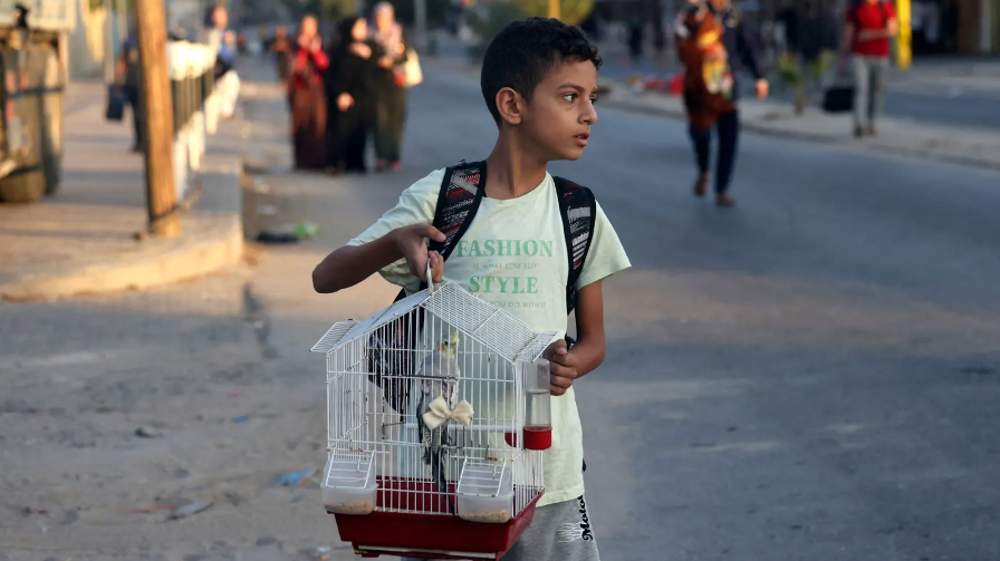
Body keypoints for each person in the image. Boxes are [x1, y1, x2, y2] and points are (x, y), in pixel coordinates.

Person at [311, 17, 631, 561]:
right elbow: (327, 276)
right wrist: (394, 242)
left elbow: (594, 341)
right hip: (442, 477)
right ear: (513, 105)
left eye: (592, 98)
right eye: (570, 96)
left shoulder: (577, 211)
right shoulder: (445, 197)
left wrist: (570, 364)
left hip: (547, 476)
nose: (590, 114)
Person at [675, 0, 768, 207]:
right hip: (700, 88)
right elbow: (681, 41)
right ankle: (703, 169)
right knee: (701, 134)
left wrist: (759, 77)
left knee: (729, 138)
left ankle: (722, 189)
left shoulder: (734, 16)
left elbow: (749, 45)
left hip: (726, 86)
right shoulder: (696, 13)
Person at [325, 15, 375, 175]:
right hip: (342, 97)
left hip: (361, 98)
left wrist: (368, 56)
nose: (363, 30)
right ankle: (337, 162)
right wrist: (340, 93)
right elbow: (334, 75)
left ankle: (356, 162)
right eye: (359, 27)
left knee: (359, 131)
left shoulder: (368, 48)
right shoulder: (338, 49)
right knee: (341, 131)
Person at [841, 0, 896, 138]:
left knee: (877, 90)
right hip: (859, 54)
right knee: (861, 88)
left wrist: (871, 34)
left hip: (881, 55)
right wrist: (844, 55)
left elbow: (892, 30)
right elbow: (849, 31)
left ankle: (871, 122)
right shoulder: (855, 7)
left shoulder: (885, 6)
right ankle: (858, 123)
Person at [369, 2, 409, 172]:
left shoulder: (398, 33)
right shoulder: (370, 36)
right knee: (379, 122)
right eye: (378, 17)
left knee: (395, 121)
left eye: (384, 17)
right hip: (377, 85)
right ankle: (381, 157)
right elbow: (367, 59)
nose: (381, 21)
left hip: (395, 84)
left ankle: (394, 156)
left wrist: (392, 61)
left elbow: (406, 56)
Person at [288, 15, 330, 171]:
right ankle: (302, 161)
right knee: (301, 124)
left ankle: (318, 160)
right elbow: (294, 67)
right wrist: (303, 49)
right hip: (300, 90)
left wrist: (316, 50)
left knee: (318, 124)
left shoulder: (320, 42)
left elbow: (325, 64)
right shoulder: (294, 44)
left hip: (317, 89)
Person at [204, 6, 241, 120]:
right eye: (220, 15)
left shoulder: (224, 31)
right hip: (219, 66)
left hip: (226, 66)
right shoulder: (212, 32)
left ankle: (224, 111)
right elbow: (214, 50)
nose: (223, 18)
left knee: (230, 86)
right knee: (227, 85)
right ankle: (223, 112)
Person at [114, 28, 143, 153]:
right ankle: (142, 141)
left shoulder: (129, 42)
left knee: (136, 115)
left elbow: (122, 61)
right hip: (141, 83)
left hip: (131, 82)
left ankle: (139, 142)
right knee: (141, 114)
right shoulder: (146, 41)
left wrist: (118, 78)